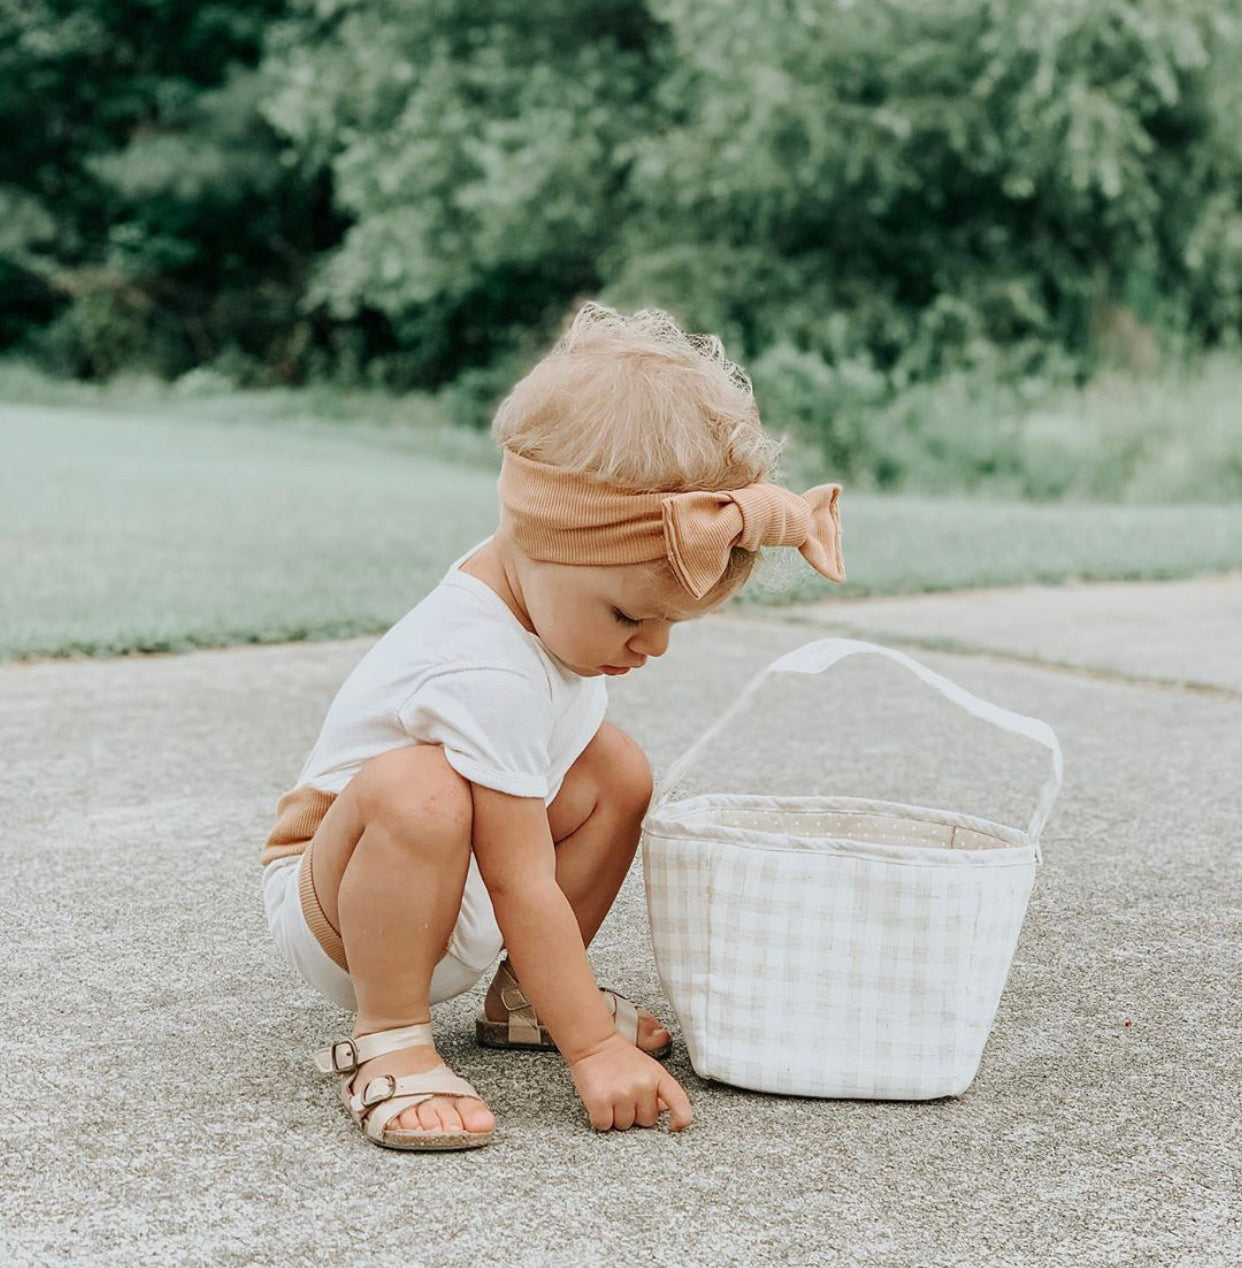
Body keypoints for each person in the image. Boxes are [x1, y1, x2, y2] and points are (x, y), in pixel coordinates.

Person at [260, 301, 846, 1151]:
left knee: (617, 772)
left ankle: (524, 998)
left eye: (672, 625)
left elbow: (520, 856)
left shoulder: (539, 572)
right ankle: (390, 1038)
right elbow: (518, 881)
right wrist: (595, 1048)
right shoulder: (483, 667)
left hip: (455, 877)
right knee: (418, 789)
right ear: (545, 544)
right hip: (346, 913)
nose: (652, 646)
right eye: (629, 615)